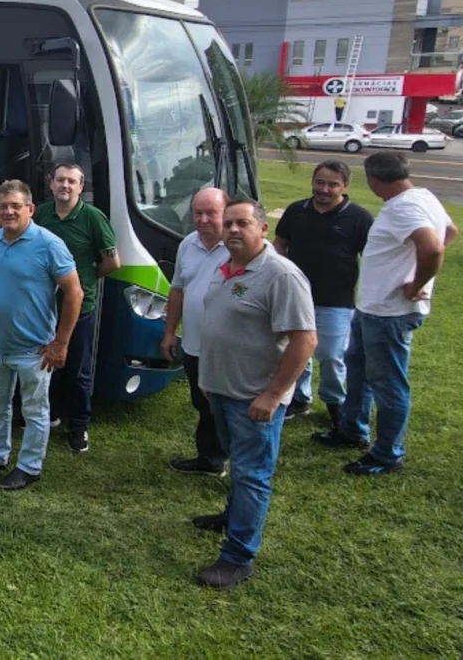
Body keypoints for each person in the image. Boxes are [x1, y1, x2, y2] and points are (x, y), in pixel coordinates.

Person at [192, 200, 316, 590]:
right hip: (221, 391)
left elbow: (304, 340)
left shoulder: (281, 276)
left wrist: (274, 395)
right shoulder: (227, 266)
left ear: (262, 229)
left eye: (242, 223)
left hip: (253, 400)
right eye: (228, 223)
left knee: (252, 474)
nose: (231, 230)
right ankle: (233, 516)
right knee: (240, 467)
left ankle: (238, 557)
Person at [314, 151, 456, 475]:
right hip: (372, 309)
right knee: (359, 372)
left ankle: (387, 454)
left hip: (390, 313)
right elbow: (451, 232)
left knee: (388, 384)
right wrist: (413, 272)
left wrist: (416, 281)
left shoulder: (405, 206)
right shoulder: (423, 196)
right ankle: (352, 430)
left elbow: (434, 247)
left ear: (374, 180)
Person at [0, 179, 82, 492]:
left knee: (34, 411)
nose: (10, 211)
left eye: (16, 206)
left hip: (35, 349)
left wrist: (61, 342)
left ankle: (29, 467)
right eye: (4, 207)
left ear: (30, 209)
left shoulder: (49, 244)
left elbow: (74, 292)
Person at [273, 160, 373, 426]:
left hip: (336, 300)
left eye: (332, 184)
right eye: (320, 182)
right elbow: (280, 243)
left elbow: (371, 256)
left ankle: (335, 403)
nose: (324, 189)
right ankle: (299, 398)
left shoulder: (359, 218)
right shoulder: (297, 211)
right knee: (295, 350)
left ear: (345, 186)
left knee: (330, 355)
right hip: (296, 297)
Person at [34, 163, 120, 453]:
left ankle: (79, 426)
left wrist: (84, 280)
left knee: (77, 369)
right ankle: (53, 414)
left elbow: (112, 262)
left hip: (79, 307)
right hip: (45, 305)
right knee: (46, 363)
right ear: (51, 183)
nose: (65, 186)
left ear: (81, 187)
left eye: (72, 181)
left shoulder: (93, 218)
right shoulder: (43, 213)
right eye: (60, 180)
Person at [161, 187, 232, 477]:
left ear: (225, 214)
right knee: (203, 405)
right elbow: (177, 289)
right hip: (193, 344)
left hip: (225, 349)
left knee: (224, 409)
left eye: (211, 213)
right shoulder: (188, 244)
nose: (203, 220)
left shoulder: (238, 247)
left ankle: (226, 460)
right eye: (197, 213)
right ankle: (210, 459)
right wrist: (169, 332)